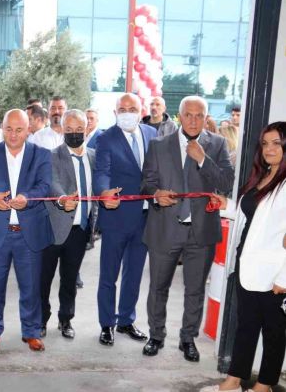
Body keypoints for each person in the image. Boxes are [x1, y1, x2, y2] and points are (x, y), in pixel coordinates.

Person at [140, 96, 234, 362]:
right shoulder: (159, 145)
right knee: (158, 287)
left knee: (195, 289)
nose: (193, 120)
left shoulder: (217, 144)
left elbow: (226, 182)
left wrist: (203, 160)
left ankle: (188, 338)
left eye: (199, 115)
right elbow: (146, 183)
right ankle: (156, 335)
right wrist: (155, 194)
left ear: (206, 118)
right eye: (188, 115)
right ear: (180, 116)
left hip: (200, 232)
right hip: (164, 228)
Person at [202, 122, 286, 392]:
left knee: (274, 331)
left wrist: (285, 278)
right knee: (246, 326)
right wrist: (226, 205)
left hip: (274, 273)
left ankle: (264, 386)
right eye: (265, 144)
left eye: (276, 143)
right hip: (246, 264)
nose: (269, 149)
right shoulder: (263, 176)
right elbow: (251, 214)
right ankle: (234, 380)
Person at [0, 109, 54, 352]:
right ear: (2, 128)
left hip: (28, 232)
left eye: (19, 130)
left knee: (31, 286)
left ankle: (31, 331)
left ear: (28, 130)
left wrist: (27, 198)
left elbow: (45, 186)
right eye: (9, 129)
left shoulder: (41, 155)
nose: (13, 135)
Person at [94, 93, 157, 346]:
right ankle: (106, 324)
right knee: (109, 275)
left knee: (134, 274)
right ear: (115, 112)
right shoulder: (106, 138)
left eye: (132, 109)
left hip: (145, 217)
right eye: (122, 109)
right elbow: (102, 172)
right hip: (116, 216)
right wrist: (103, 193)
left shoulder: (152, 134)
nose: (127, 113)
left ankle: (126, 321)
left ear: (141, 111)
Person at [42, 109, 97, 340]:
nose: (74, 134)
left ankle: (66, 319)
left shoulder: (94, 156)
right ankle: (41, 319)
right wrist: (63, 198)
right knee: (43, 279)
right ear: (62, 130)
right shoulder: (52, 156)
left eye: (79, 129)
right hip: (53, 228)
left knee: (70, 279)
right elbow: (52, 183)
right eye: (69, 129)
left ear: (87, 129)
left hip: (80, 230)